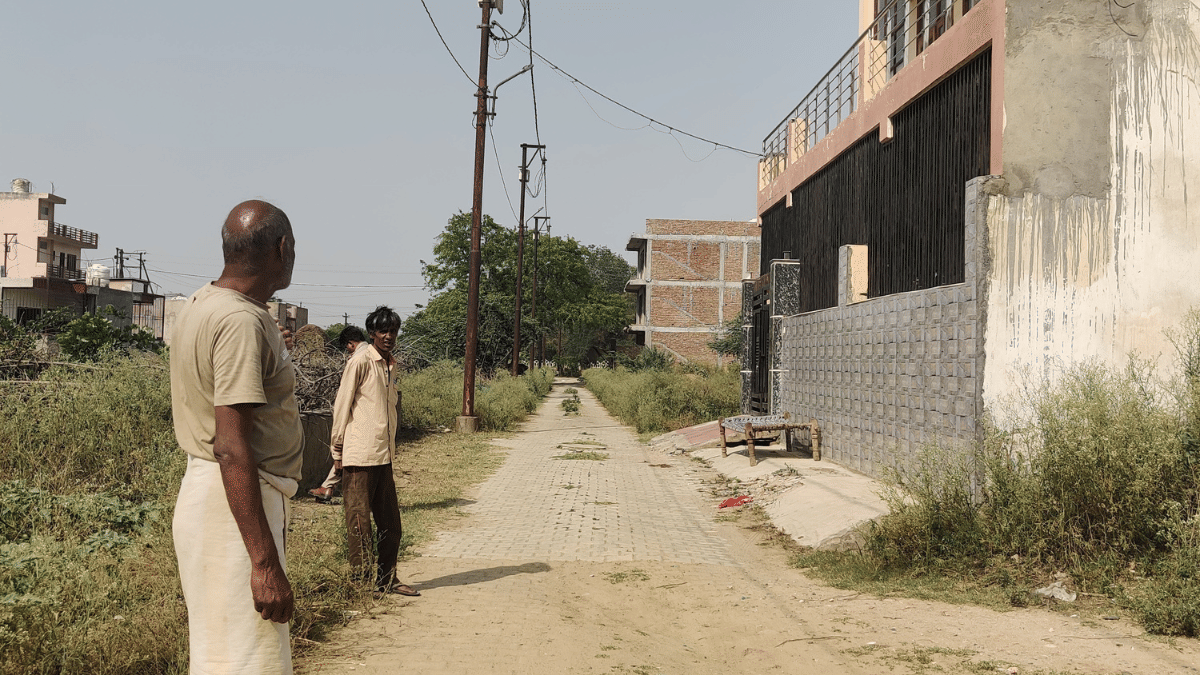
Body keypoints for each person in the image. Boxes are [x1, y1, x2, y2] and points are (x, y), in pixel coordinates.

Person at [170, 200, 301, 673]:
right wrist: (263, 562)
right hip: (235, 505)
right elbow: (230, 444)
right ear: (281, 248)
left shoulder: (202, 302)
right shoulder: (239, 322)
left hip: (216, 497)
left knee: (221, 654)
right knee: (251, 659)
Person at [329, 306, 419, 596]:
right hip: (359, 454)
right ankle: (363, 584)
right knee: (359, 524)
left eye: (393, 331)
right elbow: (343, 403)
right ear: (372, 333)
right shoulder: (362, 360)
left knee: (391, 525)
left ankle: (387, 579)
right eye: (383, 331)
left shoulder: (389, 364)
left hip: (383, 455)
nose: (389, 336)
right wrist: (337, 448)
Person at [308, 325, 368, 503]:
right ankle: (328, 486)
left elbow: (345, 398)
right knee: (351, 456)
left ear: (350, 344)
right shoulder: (376, 356)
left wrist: (337, 436)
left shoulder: (357, 360)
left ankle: (329, 487)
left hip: (357, 416)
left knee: (346, 456)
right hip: (375, 418)